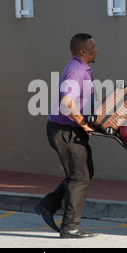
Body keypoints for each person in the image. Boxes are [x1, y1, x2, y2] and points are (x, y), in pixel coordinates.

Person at [34, 33, 98, 239]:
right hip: (65, 131)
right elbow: (67, 102)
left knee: (86, 171)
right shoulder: (76, 71)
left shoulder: (82, 68)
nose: (96, 50)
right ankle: (69, 227)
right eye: (92, 48)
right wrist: (83, 124)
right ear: (82, 51)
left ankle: (48, 205)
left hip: (69, 129)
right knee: (79, 177)